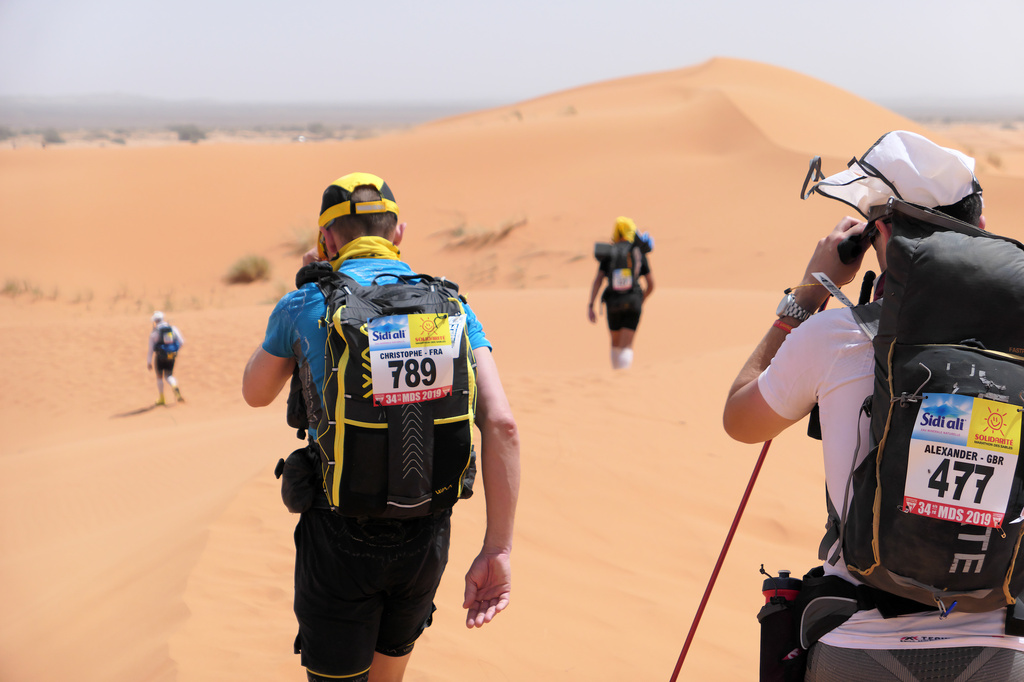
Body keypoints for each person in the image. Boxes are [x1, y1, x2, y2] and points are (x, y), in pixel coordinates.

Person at [722, 131, 1024, 680]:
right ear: (979, 226)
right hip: (1002, 652)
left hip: (859, 648)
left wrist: (808, 294)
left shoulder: (836, 336)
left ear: (879, 233)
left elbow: (741, 420)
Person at [242, 172, 520, 682]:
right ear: (398, 234)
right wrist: (497, 549)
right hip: (426, 533)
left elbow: (255, 392)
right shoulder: (453, 307)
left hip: (338, 533)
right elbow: (502, 424)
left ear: (326, 239)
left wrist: (306, 286)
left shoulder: (306, 303)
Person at [587, 216, 654, 369]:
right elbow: (651, 284)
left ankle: (616, 375)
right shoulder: (638, 253)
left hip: (613, 302)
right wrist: (641, 300)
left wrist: (591, 305)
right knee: (627, 345)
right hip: (633, 301)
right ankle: (622, 378)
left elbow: (598, 280)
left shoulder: (609, 252)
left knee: (615, 344)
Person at [146, 310, 185, 405]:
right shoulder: (173, 328)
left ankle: (162, 398)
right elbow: (182, 341)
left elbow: (151, 349)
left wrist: (149, 362)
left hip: (160, 357)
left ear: (155, 321)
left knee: (159, 377)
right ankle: (175, 386)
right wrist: (174, 350)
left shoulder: (154, 333)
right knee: (169, 375)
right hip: (171, 355)